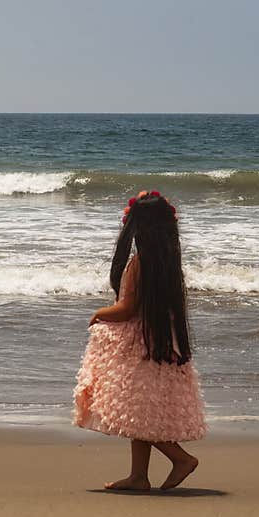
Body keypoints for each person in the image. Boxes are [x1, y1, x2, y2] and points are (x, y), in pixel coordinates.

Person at [73, 190, 206, 491]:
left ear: (140, 228)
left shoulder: (139, 263)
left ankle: (181, 458)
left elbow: (126, 308)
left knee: (137, 413)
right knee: (139, 410)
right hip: (158, 341)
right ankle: (139, 476)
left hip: (139, 345)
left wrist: (99, 313)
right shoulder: (166, 262)